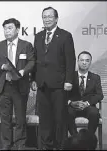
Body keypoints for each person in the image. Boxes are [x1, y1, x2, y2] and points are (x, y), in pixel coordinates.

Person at [31, 7, 76, 149]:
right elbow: (35, 59)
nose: (47, 19)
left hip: (59, 84)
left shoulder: (65, 36)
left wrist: (69, 80)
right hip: (42, 84)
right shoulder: (38, 36)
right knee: (44, 119)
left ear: (56, 18)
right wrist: (33, 78)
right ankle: (46, 146)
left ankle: (60, 146)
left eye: (50, 16)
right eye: (44, 17)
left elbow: (71, 60)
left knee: (59, 118)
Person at [0, 18, 35, 150]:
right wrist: (2, 66)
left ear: (17, 29)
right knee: (5, 119)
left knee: (20, 118)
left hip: (20, 86)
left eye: (9, 28)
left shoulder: (26, 45)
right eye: (5, 28)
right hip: (4, 86)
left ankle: (20, 145)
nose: (7, 31)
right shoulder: (0, 45)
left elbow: (32, 62)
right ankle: (6, 145)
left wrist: (23, 70)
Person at [67, 51, 103, 135]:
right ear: (78, 61)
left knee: (95, 113)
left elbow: (99, 95)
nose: (84, 63)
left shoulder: (96, 77)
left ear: (90, 62)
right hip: (72, 106)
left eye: (87, 60)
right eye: (82, 60)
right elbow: (63, 94)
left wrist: (87, 103)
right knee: (66, 112)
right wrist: (71, 103)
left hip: (88, 106)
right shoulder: (70, 77)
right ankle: (75, 139)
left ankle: (88, 139)